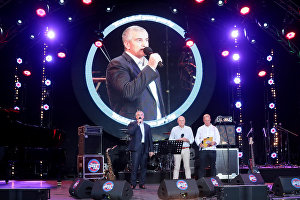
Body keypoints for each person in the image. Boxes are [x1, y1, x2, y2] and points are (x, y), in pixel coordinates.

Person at [106, 25, 165, 121]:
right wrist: (150, 67)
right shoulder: (117, 64)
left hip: (156, 125)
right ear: (127, 44)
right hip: (133, 126)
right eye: (139, 40)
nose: (145, 44)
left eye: (146, 40)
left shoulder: (151, 66)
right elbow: (128, 93)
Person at [126, 110, 154, 189]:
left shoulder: (147, 126)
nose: (140, 116)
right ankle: (133, 183)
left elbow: (150, 139)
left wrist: (151, 150)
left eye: (141, 114)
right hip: (136, 148)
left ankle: (142, 183)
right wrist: (137, 124)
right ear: (136, 117)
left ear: (144, 116)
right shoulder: (132, 124)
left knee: (144, 167)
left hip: (145, 148)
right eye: (138, 115)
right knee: (134, 167)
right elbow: (130, 132)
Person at [195, 114, 220, 179]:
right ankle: (201, 181)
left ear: (210, 120)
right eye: (206, 120)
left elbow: (218, 138)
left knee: (213, 166)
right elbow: (196, 138)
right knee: (202, 166)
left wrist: (214, 142)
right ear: (203, 120)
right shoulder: (200, 128)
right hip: (203, 150)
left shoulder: (215, 128)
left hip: (212, 150)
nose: (207, 122)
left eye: (208, 120)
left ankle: (214, 182)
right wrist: (199, 144)